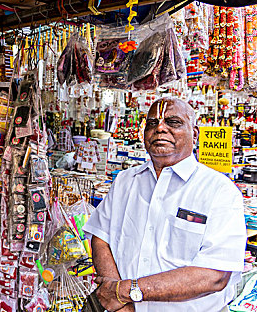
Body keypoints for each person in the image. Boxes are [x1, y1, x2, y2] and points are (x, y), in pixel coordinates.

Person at [83, 97, 246, 312]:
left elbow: (215, 275)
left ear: (194, 134)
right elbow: (101, 237)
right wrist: (120, 305)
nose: (160, 128)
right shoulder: (126, 181)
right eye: (152, 123)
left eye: (173, 122)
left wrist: (126, 291)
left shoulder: (219, 191)